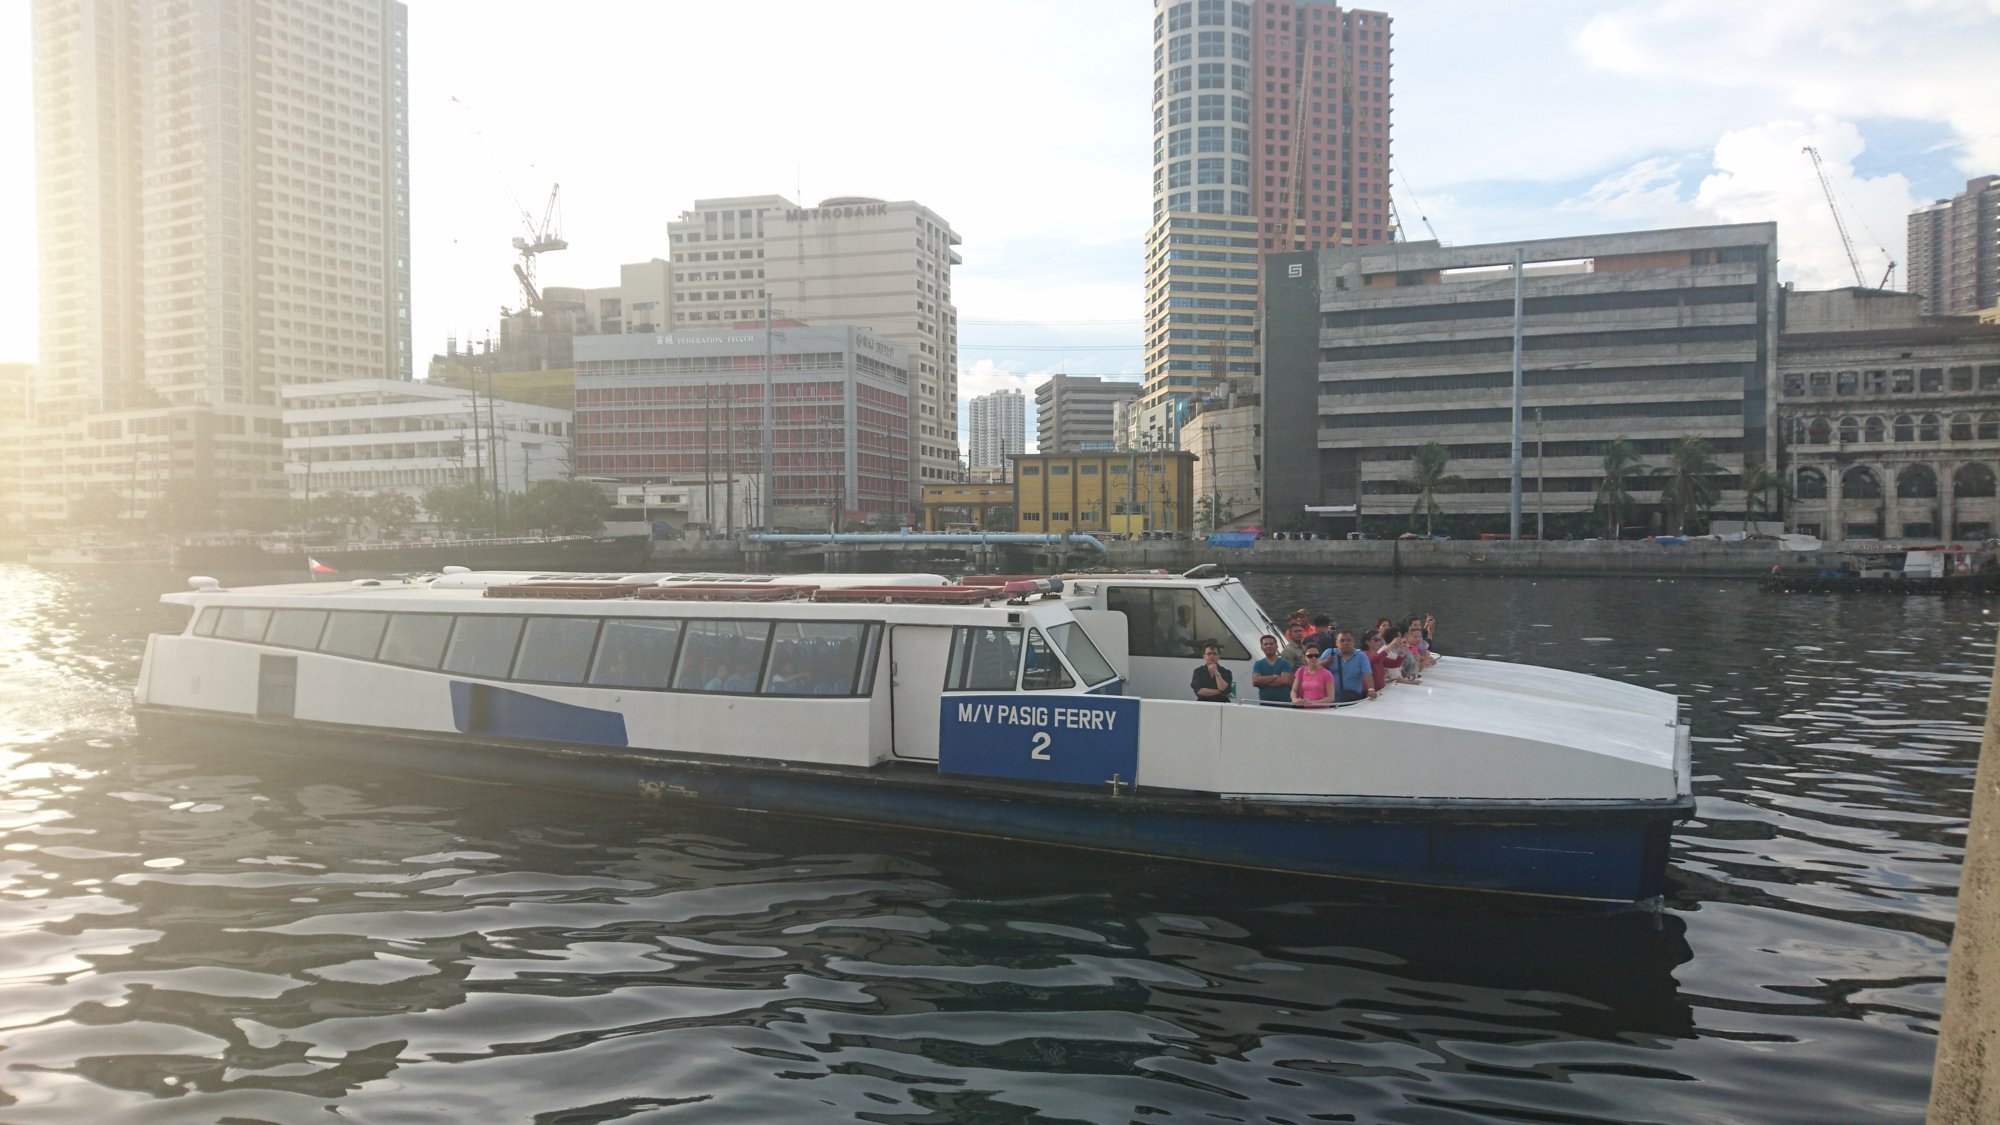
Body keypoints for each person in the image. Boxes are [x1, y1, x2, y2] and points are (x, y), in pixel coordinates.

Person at [1327, 629, 1377, 703]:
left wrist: (1371, 689)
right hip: (1331, 699)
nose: (1345, 643)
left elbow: (1367, 674)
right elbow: (1316, 668)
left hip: (1352, 699)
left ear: (1353, 642)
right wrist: (1326, 662)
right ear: (1336, 643)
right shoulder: (1329, 653)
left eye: (1348, 640)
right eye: (1342, 640)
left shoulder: (1361, 656)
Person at [1251, 634, 1294, 705]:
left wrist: (1262, 682)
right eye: (1266, 644)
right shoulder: (1258, 664)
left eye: (1271, 644)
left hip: (1284, 704)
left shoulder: (1285, 663)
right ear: (1262, 647)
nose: (1268, 646)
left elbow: (1283, 681)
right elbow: (1256, 680)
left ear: (1276, 646)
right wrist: (1274, 677)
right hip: (1265, 704)